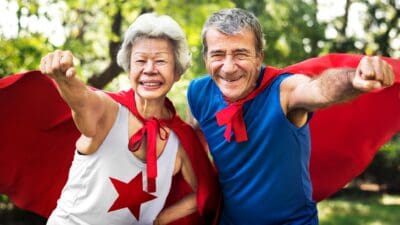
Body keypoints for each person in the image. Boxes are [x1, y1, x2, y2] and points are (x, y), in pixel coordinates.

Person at [187, 8, 396, 225]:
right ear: (205, 58)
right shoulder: (198, 93)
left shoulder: (284, 90)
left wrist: (354, 78)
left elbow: (320, 88)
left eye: (241, 54)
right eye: (218, 55)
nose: (228, 67)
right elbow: (191, 140)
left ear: (259, 57)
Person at [37, 13, 219, 225]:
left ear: (177, 71)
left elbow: (204, 192)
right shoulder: (108, 109)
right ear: (129, 67)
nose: (149, 70)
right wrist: (65, 80)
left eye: (160, 61)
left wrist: (159, 220)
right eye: (140, 61)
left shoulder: (181, 139)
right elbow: (82, 101)